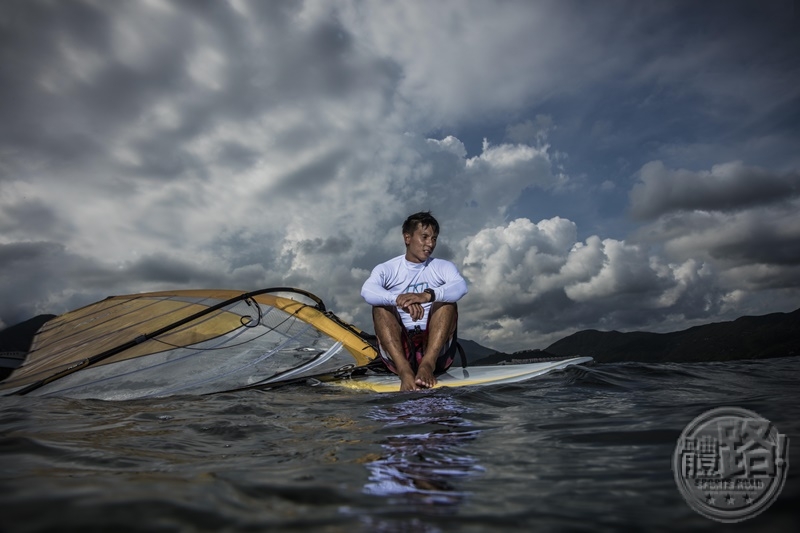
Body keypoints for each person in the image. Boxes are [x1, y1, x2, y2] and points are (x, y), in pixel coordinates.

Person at [361, 211, 468, 391]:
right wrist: (398, 300)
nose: (430, 244)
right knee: (380, 306)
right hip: (400, 351)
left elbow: (461, 286)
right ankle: (404, 371)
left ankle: (427, 365)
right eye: (425, 237)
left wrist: (426, 296)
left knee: (447, 301)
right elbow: (367, 291)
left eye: (434, 238)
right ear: (407, 238)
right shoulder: (387, 269)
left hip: (435, 352)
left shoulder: (442, 266)